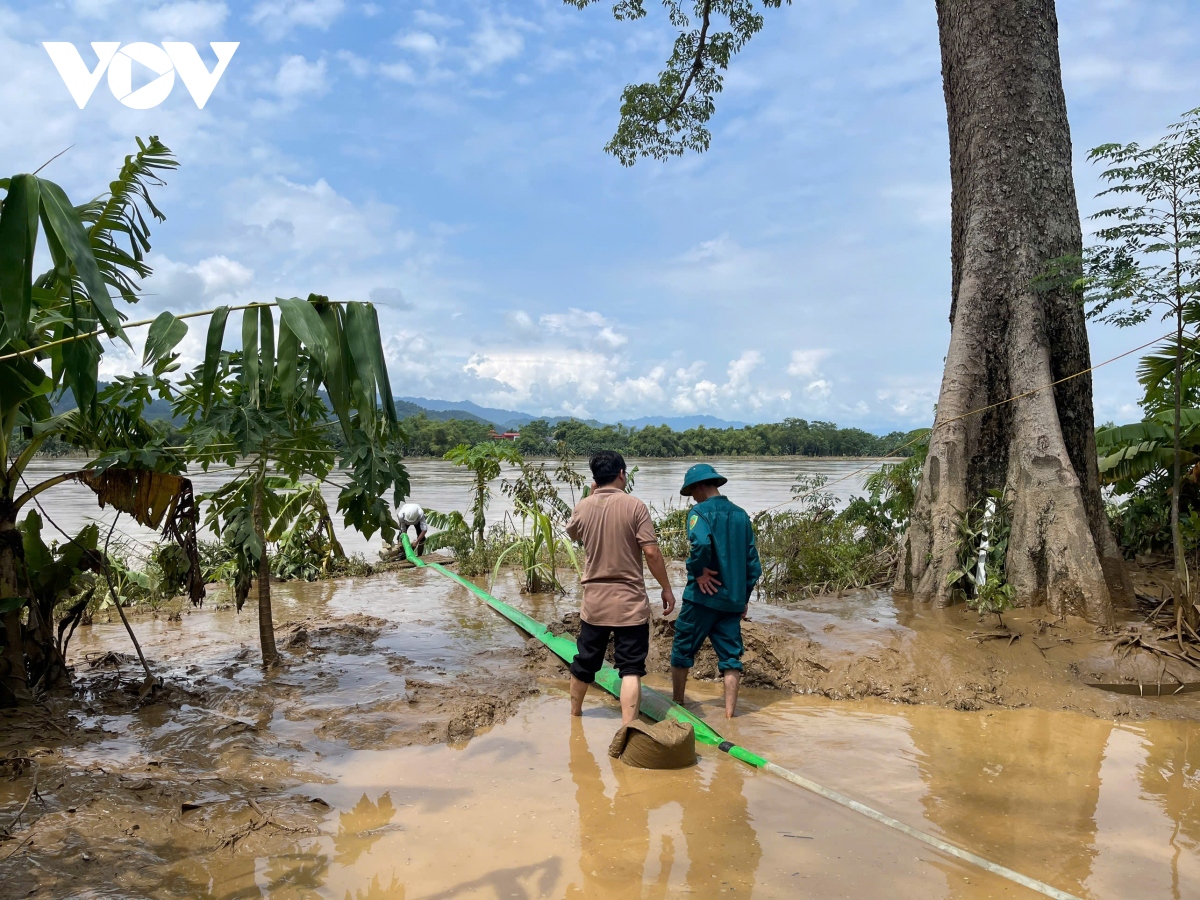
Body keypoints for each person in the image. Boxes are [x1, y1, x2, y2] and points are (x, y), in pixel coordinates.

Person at [566, 450, 677, 726]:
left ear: (595, 479)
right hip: (629, 603)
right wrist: (666, 588)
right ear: (621, 474)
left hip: (595, 603)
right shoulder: (635, 506)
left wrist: (589, 496)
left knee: (585, 662)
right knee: (630, 669)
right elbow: (651, 553)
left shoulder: (584, 506)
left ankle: (575, 719)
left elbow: (572, 532)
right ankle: (629, 727)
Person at [670, 463, 761, 718]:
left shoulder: (699, 512)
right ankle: (730, 715)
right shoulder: (742, 515)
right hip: (732, 600)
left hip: (702, 599)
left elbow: (700, 543)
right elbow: (753, 564)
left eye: (692, 492)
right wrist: (743, 598)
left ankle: (678, 704)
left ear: (699, 487)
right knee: (731, 659)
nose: (693, 498)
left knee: (682, 651)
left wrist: (697, 571)